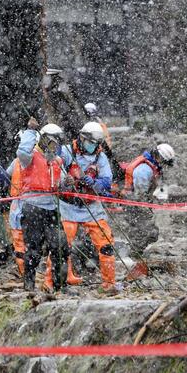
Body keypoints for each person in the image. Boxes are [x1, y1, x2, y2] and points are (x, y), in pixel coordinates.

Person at [59, 121, 119, 293]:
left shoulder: (101, 157)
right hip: (68, 205)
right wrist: (65, 181)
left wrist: (95, 183)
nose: (92, 146)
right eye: (89, 142)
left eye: (95, 144)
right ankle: (57, 280)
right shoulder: (66, 151)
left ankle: (109, 283)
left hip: (91, 206)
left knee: (106, 243)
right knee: (62, 243)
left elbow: (107, 181)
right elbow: (55, 168)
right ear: (82, 138)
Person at [17, 122, 70, 293]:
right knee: (33, 248)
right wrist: (31, 130)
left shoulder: (57, 161)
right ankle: (29, 285)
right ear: (44, 140)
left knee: (60, 247)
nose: (54, 146)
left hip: (51, 208)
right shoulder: (30, 157)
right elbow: (22, 151)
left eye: (57, 143)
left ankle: (59, 286)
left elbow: (60, 183)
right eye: (51, 142)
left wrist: (67, 183)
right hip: (33, 207)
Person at [116, 143, 175, 281]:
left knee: (147, 232)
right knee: (145, 231)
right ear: (159, 157)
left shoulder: (151, 166)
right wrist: (146, 205)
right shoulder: (144, 169)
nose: (165, 166)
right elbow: (140, 193)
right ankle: (133, 258)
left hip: (138, 202)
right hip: (135, 203)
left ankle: (134, 255)